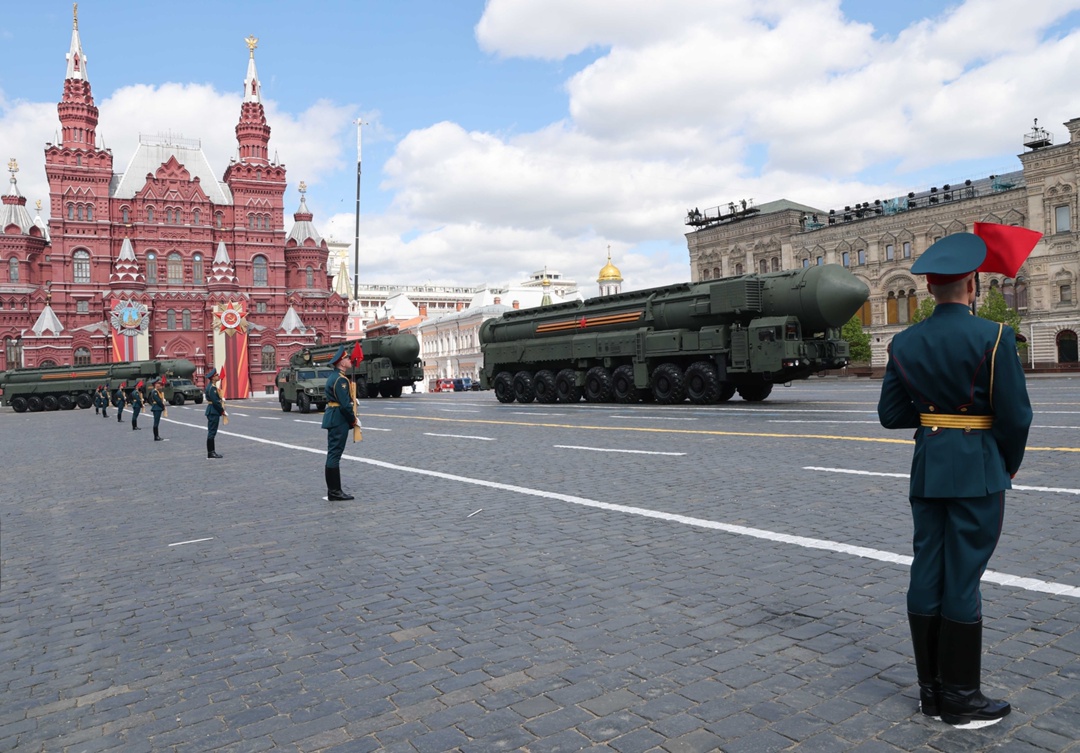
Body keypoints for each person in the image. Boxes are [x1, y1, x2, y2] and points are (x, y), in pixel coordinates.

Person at [878, 232, 1033, 728]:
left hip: (928, 469)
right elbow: (1016, 418)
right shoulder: (995, 336)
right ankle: (962, 700)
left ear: (928, 288)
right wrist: (1006, 462)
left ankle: (930, 694)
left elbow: (891, 414)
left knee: (927, 569)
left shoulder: (903, 342)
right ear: (973, 285)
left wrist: (936, 415)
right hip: (979, 469)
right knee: (963, 578)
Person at [321, 344, 357, 500]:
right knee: (334, 455)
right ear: (341, 362)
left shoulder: (335, 377)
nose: (350, 360)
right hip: (338, 419)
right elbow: (344, 404)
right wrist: (353, 419)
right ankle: (334, 492)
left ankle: (333, 491)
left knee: (333, 453)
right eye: (348, 358)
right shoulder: (340, 380)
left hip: (333, 417)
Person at [204, 368, 226, 458]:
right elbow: (215, 402)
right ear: (213, 378)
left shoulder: (211, 387)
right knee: (212, 432)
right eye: (216, 375)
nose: (218, 376)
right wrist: (222, 410)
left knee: (211, 432)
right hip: (213, 411)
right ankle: (211, 452)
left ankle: (211, 452)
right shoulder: (212, 388)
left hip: (212, 410)